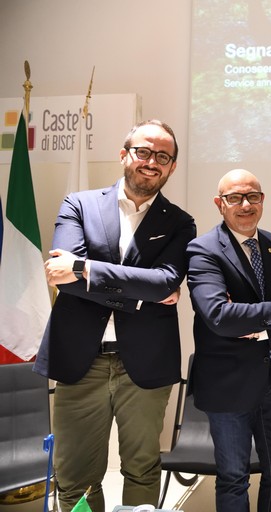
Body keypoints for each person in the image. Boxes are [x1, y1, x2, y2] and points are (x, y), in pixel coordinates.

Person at [34, 120, 196, 512]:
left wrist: (86, 269)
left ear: (172, 167)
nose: (152, 162)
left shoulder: (180, 223)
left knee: (142, 468)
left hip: (144, 363)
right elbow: (63, 278)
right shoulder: (79, 204)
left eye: (163, 156)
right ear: (124, 155)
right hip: (80, 360)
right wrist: (142, 295)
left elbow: (164, 283)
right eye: (143, 152)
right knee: (74, 476)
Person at [186, 169, 271, 512]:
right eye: (235, 198)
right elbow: (219, 316)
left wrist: (262, 325)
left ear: (262, 201)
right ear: (219, 204)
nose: (245, 205)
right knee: (234, 478)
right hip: (228, 386)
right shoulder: (203, 250)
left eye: (253, 197)